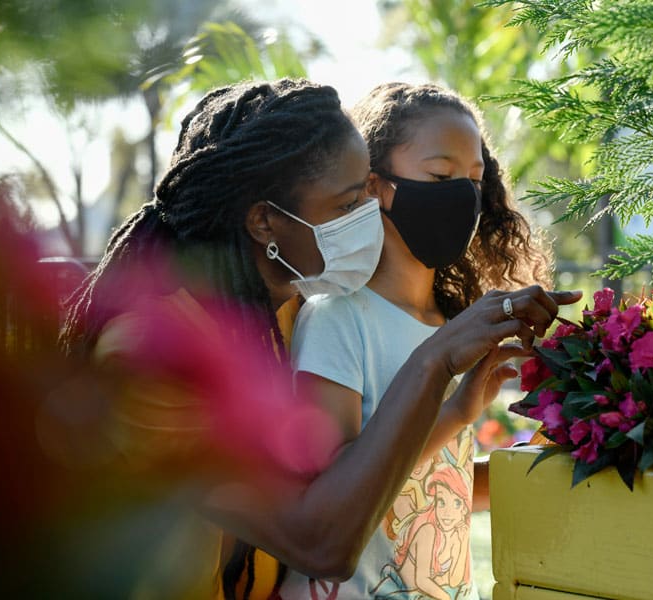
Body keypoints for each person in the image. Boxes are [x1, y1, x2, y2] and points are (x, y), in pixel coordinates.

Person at [58, 78, 560, 599]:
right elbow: (322, 546)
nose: (369, 218)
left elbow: (388, 481)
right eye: (348, 206)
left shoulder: (281, 319)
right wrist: (434, 361)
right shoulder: (150, 356)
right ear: (265, 222)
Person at [279, 81, 581, 599]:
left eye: (473, 180)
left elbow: (441, 486)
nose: (462, 196)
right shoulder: (336, 319)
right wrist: (455, 416)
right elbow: (330, 496)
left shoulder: (449, 326)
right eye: (440, 176)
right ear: (374, 187)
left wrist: (565, 450)